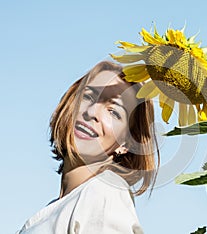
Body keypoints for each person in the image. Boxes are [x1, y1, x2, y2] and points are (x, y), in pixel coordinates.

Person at [17, 61, 160, 234]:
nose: (92, 112)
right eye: (89, 97)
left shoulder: (105, 195)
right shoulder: (62, 206)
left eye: (114, 112)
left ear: (127, 143)